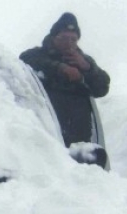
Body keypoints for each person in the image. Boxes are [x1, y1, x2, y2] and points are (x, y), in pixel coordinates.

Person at [20, 12, 110, 148]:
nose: (68, 43)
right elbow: (24, 60)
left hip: (80, 139)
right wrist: (60, 68)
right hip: (44, 134)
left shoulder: (85, 62)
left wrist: (86, 69)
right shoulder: (37, 54)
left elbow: (102, 88)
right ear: (54, 37)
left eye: (73, 39)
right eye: (63, 38)